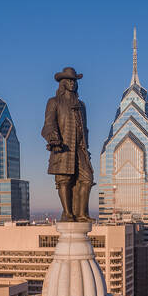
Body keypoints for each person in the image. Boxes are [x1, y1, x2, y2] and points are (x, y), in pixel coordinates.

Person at [41, 67, 93, 222]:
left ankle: (82, 213)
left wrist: (86, 146)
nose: (72, 83)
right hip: (63, 148)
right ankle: (68, 213)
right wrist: (53, 138)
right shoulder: (54, 102)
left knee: (87, 179)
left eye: (74, 81)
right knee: (64, 180)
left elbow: (85, 128)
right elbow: (48, 124)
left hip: (80, 149)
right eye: (69, 80)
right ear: (63, 83)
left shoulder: (81, 105)